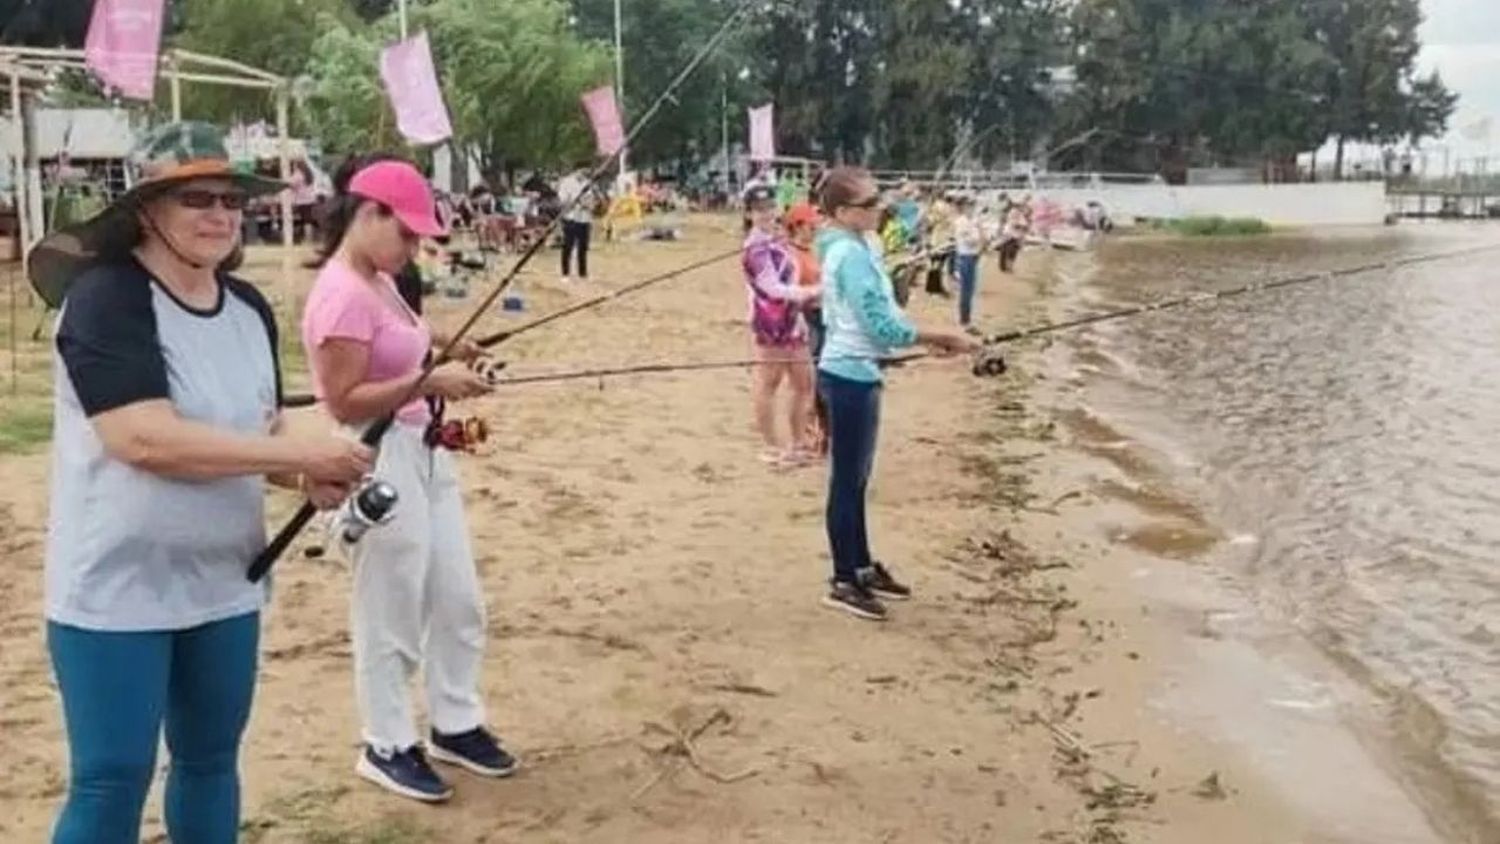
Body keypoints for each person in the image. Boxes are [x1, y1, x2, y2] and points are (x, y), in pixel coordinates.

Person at [29, 121, 372, 844]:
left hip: (223, 580)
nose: (220, 215)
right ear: (147, 209)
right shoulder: (104, 298)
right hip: (116, 590)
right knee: (110, 777)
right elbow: (141, 438)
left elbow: (264, 427)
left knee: (212, 763)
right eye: (197, 199)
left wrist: (306, 470)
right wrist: (295, 459)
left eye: (231, 200)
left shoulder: (245, 306)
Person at [301, 157, 516, 803]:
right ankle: (386, 741)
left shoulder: (382, 277)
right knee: (390, 605)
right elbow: (345, 401)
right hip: (377, 455)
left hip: (425, 450)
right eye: (408, 233)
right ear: (369, 214)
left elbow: (407, 337)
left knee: (457, 599)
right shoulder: (340, 292)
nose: (415, 247)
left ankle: (456, 721)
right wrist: (430, 381)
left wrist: (446, 349)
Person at [814, 166, 977, 620]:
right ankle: (843, 579)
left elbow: (874, 317)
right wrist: (942, 337)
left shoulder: (861, 245)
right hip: (847, 378)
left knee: (858, 479)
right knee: (846, 482)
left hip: (860, 370)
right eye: (869, 204)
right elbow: (878, 324)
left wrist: (912, 347)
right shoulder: (847, 254)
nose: (880, 208)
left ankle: (861, 566)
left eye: (878, 199)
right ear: (844, 212)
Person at [742, 185, 821, 466]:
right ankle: (772, 446)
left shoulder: (775, 241)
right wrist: (812, 292)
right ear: (749, 213)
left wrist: (801, 302)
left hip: (791, 320)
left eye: (770, 207)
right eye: (760, 209)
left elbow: (790, 279)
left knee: (804, 383)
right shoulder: (755, 249)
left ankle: (798, 443)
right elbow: (772, 288)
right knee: (769, 383)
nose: (767, 214)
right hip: (769, 324)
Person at [785, 200, 828, 454]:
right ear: (798, 227)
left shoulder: (811, 251)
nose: (815, 228)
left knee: (820, 380)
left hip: (821, 317)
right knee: (809, 383)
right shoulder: (792, 256)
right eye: (811, 224)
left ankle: (819, 434)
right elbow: (792, 293)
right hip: (807, 319)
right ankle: (806, 435)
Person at [556, 164, 598, 282]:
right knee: (568, 246)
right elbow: (563, 200)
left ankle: (583, 273)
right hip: (571, 218)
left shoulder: (588, 183)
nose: (585, 173)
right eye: (583, 171)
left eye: (587, 171)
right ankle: (565, 273)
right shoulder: (567, 182)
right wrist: (576, 202)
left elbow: (592, 200)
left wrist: (589, 205)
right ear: (577, 170)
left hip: (585, 218)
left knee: (583, 248)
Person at [951, 194, 986, 332]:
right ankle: (964, 321)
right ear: (963, 207)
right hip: (965, 257)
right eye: (970, 205)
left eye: (973, 205)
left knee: (970, 290)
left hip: (973, 256)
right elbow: (968, 240)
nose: (972, 208)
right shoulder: (961, 222)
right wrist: (980, 237)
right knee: (966, 290)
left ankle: (966, 319)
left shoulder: (972, 220)